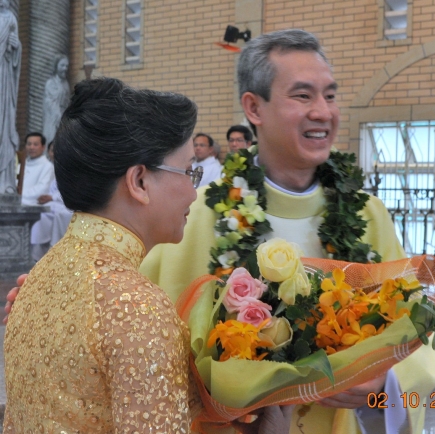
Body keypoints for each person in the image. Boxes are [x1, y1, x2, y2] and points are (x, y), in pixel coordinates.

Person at [141, 29, 435, 434]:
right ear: (254, 107)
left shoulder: (368, 216)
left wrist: (382, 384)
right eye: (302, 96)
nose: (323, 112)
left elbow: (416, 329)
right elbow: (143, 342)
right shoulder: (196, 213)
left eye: (330, 96)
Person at [3, 77, 293, 433]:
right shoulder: (136, 308)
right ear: (139, 181)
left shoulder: (38, 277)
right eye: (188, 172)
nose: (193, 192)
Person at [30, 141, 73, 261]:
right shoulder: (48, 168)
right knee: (38, 212)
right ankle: (36, 253)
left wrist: (52, 197)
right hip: (51, 202)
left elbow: (70, 191)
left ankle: (49, 251)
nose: (55, 153)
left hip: (66, 204)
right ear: (48, 152)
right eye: (53, 150)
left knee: (46, 215)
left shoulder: (71, 169)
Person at [0, 0, 21, 194]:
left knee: (4, 126)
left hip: (4, 77)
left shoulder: (9, 17)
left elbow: (15, 50)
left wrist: (16, 47)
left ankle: (5, 181)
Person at [20, 132, 54, 206]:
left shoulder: (48, 166)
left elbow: (42, 190)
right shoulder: (21, 165)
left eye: (35, 144)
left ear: (43, 147)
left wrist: (18, 194)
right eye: (29, 144)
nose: (31, 147)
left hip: (33, 204)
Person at [43, 55, 70, 144]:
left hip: (64, 118)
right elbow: (51, 103)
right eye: (62, 65)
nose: (65, 68)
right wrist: (59, 117)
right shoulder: (51, 83)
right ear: (56, 66)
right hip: (54, 119)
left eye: (66, 66)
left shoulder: (66, 84)